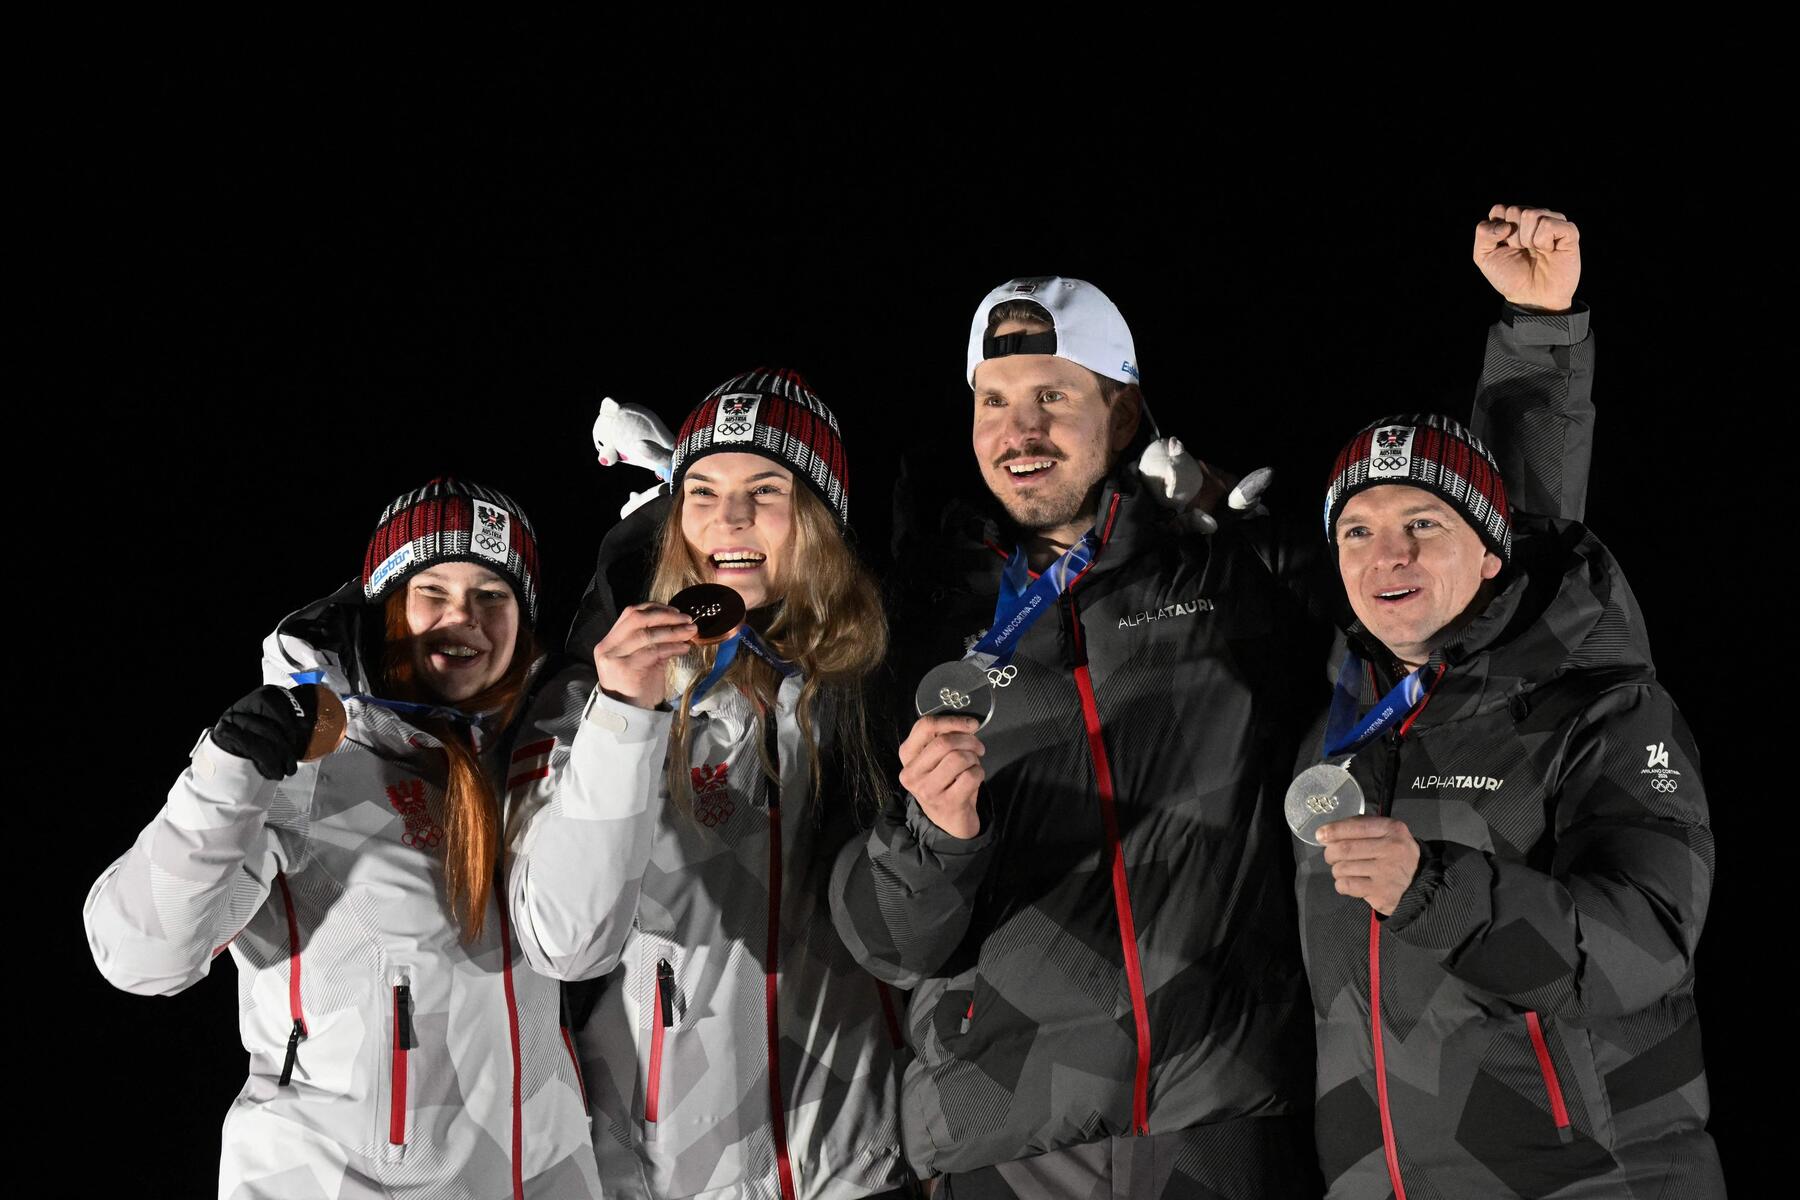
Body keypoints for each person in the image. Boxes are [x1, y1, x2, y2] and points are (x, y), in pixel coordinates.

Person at [829, 208, 1593, 1197]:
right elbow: (890, 947)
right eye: (994, 400)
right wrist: (933, 834)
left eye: (1054, 396)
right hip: (1004, 1150)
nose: (1019, 431)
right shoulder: (912, 628)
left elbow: (1479, 583)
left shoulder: (1232, 578)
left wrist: (1537, 344)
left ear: (1123, 413)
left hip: (1222, 1131)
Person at [84, 478, 601, 1200]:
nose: (465, 618)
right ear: (386, 605)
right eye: (433, 591)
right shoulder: (302, 770)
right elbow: (140, 954)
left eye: (493, 595)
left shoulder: (533, 760)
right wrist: (226, 775)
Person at [505, 368, 915, 1200]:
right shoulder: (598, 688)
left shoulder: (871, 684)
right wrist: (626, 717)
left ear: (820, 518)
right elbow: (563, 940)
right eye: (703, 490)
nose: (730, 517)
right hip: (665, 1178)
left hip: (861, 1169)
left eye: (766, 489)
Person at [1300, 416, 1723, 1197]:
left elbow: (1648, 945)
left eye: (1421, 523)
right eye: (1356, 530)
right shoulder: (1338, 731)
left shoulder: (1601, 709)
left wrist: (1435, 894)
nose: (1387, 554)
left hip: (1592, 1179)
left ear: (1493, 551)